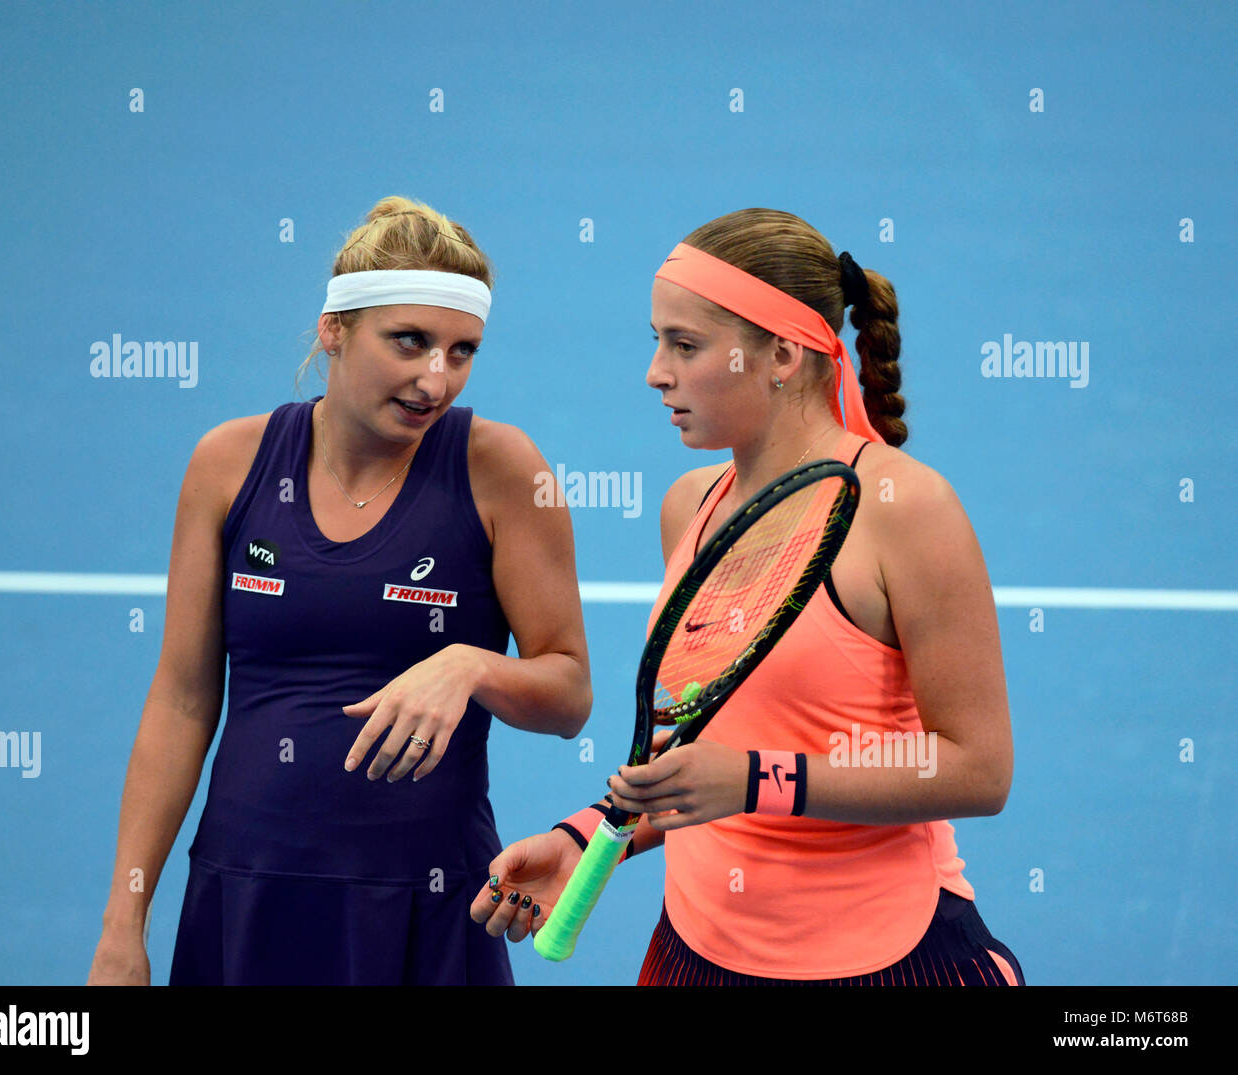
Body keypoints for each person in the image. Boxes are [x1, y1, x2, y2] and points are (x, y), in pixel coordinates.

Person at [471, 207, 1024, 986]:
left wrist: (762, 779)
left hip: (883, 954)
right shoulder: (688, 506)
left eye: (686, 345)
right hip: (699, 950)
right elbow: (708, 745)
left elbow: (980, 770)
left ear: (784, 354)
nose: (656, 371)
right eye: (657, 340)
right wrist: (592, 833)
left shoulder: (909, 511)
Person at [87, 196, 592, 986]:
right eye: (411, 342)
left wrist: (470, 665)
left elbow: (568, 695)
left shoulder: (500, 467)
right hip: (245, 893)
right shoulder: (226, 462)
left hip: (424, 904)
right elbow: (183, 701)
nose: (437, 378)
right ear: (334, 329)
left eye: (462, 351)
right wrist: (124, 925)